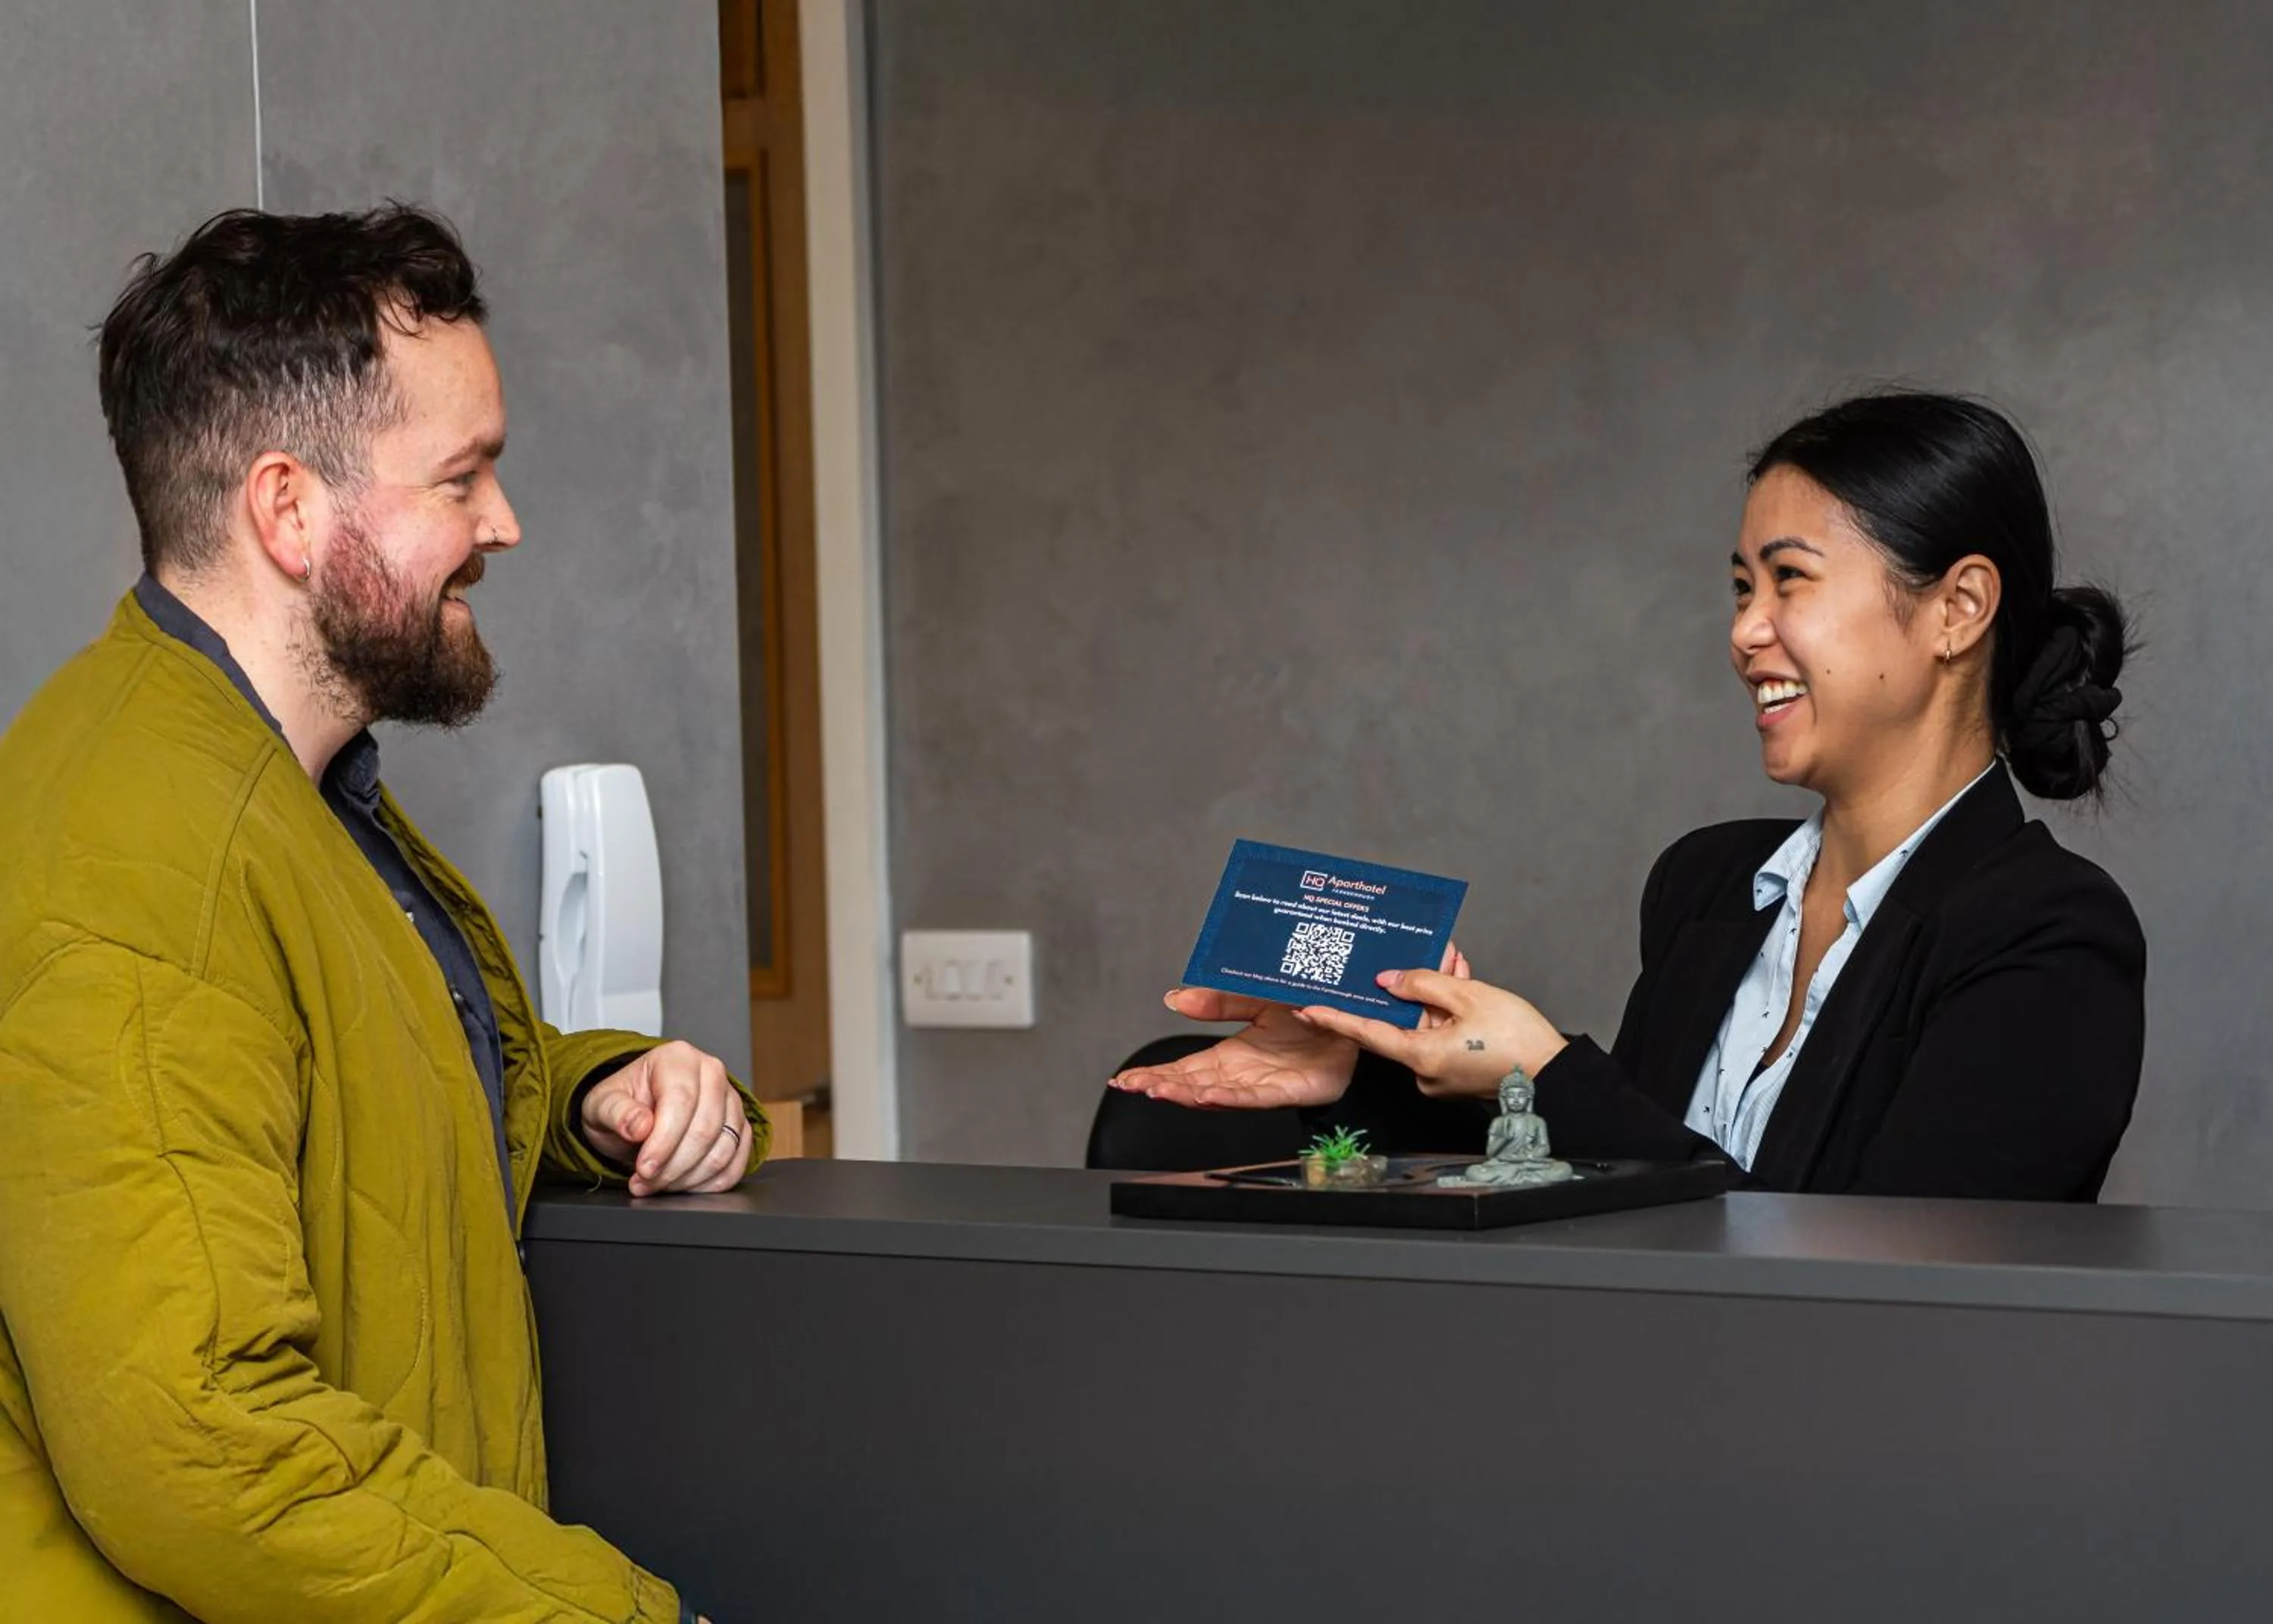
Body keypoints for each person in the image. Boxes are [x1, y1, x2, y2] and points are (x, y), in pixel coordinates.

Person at [0, 207, 754, 1621]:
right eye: (461, 478)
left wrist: (595, 1091)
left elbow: (351, 1094)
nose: (504, 525)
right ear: (290, 510)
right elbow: (206, 1444)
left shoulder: (291, 791)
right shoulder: (149, 851)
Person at [1114, 392, 2145, 1201]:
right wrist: (1372, 1063)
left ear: (1958, 607)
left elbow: (1875, 1293)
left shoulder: (2050, 937)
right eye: (1742, 587)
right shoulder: (1707, 886)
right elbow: (1611, 1190)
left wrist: (1552, 1071)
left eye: (1790, 581)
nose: (1746, 631)